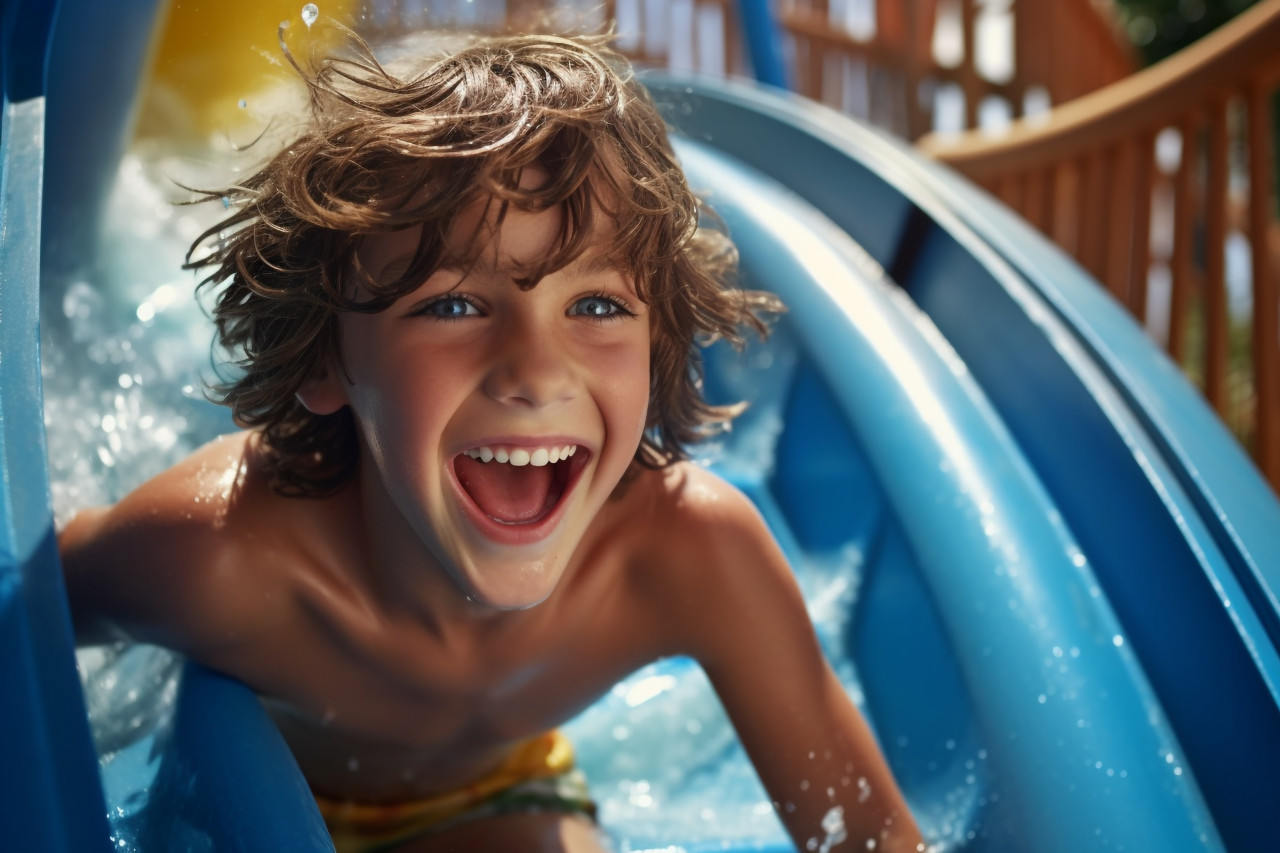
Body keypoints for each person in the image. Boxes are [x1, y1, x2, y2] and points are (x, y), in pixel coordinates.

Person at [59, 30, 926, 853]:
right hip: (256, 784)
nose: (537, 373)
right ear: (326, 358)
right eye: (453, 305)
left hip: (499, 793)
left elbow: (873, 835)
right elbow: (29, 612)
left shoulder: (692, 556)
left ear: (658, 350)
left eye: (596, 307)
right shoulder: (216, 558)